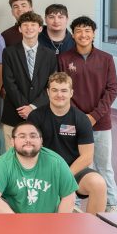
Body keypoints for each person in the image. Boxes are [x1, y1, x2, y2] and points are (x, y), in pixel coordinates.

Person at [58, 16, 117, 212]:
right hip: (72, 122)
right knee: (74, 164)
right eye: (78, 31)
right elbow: (62, 90)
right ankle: (73, 204)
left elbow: (111, 90)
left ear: (93, 34)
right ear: (73, 35)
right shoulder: (64, 59)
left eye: (87, 31)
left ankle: (111, 205)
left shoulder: (106, 59)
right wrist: (79, 118)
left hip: (101, 123)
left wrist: (93, 116)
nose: (83, 35)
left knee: (103, 165)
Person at [28, 73, 108, 214]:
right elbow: (31, 150)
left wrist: (64, 175)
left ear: (71, 93)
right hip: (43, 170)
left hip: (73, 170)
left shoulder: (81, 119)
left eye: (64, 90)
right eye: (55, 90)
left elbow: (87, 156)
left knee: (99, 184)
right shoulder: (36, 117)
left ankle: (94, 228)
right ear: (48, 92)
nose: (59, 95)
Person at [0, 121, 78, 214]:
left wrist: (59, 224)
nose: (28, 140)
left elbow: (69, 197)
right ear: (12, 141)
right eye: (22, 136)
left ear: (41, 141)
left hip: (48, 220)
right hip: (14, 219)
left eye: (33, 136)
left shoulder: (56, 162)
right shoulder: (3, 163)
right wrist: (17, 223)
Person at [1, 11, 57, 138]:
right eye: (25, 25)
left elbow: (51, 84)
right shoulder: (9, 52)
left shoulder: (50, 55)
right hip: (14, 114)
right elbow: (9, 82)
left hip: (41, 113)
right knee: (11, 154)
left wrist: (32, 107)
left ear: (40, 28)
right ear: (20, 29)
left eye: (33, 24)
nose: (29, 28)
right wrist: (24, 108)